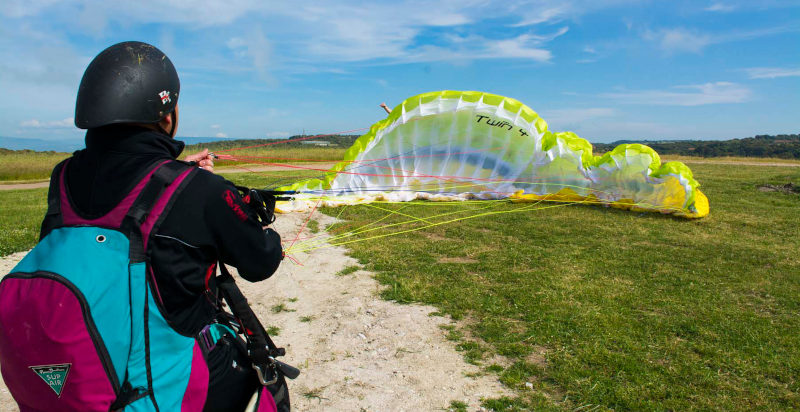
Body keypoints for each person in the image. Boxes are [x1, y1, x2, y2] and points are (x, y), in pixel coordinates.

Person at [48, 41, 284, 410]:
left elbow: (126, 196)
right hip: (161, 379)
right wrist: (269, 236)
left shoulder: (62, 177)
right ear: (166, 114)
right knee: (252, 379)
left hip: (90, 357)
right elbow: (260, 263)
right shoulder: (202, 190)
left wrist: (179, 174)